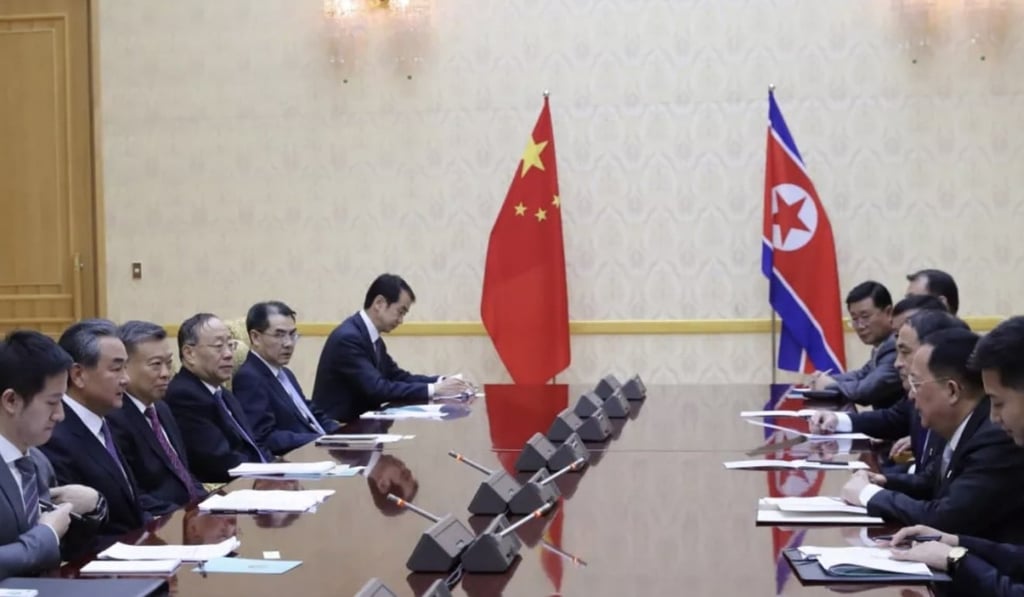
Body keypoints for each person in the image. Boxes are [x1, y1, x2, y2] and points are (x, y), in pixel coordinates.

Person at [839, 328, 1024, 541]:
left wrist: (867, 495)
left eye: (916, 384)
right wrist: (882, 481)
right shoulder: (964, 423)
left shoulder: (996, 437)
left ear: (952, 391)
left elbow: (945, 519)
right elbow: (932, 481)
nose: (910, 394)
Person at [886, 316, 1024, 594]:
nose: (994, 418)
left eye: (997, 402)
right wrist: (955, 542)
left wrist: (956, 559)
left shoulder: (999, 442)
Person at [0, 331, 105, 578]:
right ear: (11, 400)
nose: (60, 415)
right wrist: (45, 536)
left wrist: (90, 509)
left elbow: (61, 551)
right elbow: (44, 541)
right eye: (52, 402)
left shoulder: (37, 462)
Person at [311, 274, 471, 422]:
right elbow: (377, 389)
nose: (401, 321)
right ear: (379, 303)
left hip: (361, 425)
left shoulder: (370, 337)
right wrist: (434, 389)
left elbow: (397, 376)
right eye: (400, 312)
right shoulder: (349, 338)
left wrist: (442, 381)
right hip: (339, 432)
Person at [40, 319, 146, 544]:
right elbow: (73, 538)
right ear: (78, 375)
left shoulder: (108, 422)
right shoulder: (54, 434)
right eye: (116, 369)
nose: (126, 379)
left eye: (126, 368)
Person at [107, 321, 206, 516]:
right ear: (124, 367)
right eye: (155, 365)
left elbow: (183, 472)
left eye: (168, 364)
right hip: (163, 523)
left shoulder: (161, 408)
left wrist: (208, 504)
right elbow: (134, 495)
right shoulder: (114, 418)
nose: (166, 374)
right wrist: (183, 514)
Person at [165, 313, 270, 483]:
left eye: (230, 345)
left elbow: (253, 444)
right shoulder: (184, 396)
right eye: (219, 346)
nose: (229, 354)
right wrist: (269, 471)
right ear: (189, 353)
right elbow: (220, 462)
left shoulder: (222, 392)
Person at [233, 301, 339, 456]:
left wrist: (344, 434)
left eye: (292, 335)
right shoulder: (249, 378)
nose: (289, 343)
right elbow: (266, 437)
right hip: (298, 459)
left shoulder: (285, 373)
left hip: (321, 452)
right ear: (255, 337)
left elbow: (310, 414)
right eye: (279, 335)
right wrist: (320, 439)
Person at [809, 281, 901, 407]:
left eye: (865, 316)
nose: (860, 326)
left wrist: (829, 385)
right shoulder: (882, 345)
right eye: (855, 318)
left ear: (889, 312)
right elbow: (861, 375)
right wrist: (825, 379)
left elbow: (866, 391)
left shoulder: (897, 346)